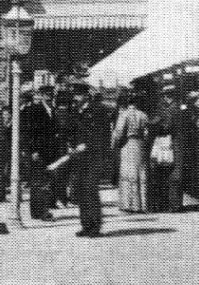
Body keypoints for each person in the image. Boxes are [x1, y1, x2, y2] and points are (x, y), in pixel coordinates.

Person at [67, 81, 109, 237]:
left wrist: (87, 145)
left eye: (78, 95)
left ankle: (95, 226)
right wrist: (71, 145)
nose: (76, 98)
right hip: (80, 158)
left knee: (91, 190)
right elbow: (71, 130)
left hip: (94, 157)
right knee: (81, 191)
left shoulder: (99, 110)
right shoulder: (76, 111)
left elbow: (103, 135)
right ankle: (85, 225)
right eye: (75, 95)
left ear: (86, 95)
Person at [149, 89, 189, 212]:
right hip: (179, 143)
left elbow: (166, 126)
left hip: (173, 144)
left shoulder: (172, 110)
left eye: (163, 97)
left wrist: (151, 123)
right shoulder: (179, 109)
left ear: (167, 97)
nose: (162, 100)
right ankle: (175, 204)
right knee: (174, 174)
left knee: (172, 174)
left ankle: (172, 205)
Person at [21, 87, 57, 220]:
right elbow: (30, 132)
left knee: (43, 181)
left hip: (48, 151)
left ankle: (38, 211)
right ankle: (41, 212)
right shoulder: (35, 110)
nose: (49, 97)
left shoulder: (52, 110)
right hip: (38, 152)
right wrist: (33, 150)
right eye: (46, 95)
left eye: (51, 95)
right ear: (41, 96)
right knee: (39, 182)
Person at [111, 92, 149, 212]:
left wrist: (116, 145)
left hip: (128, 145)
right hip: (140, 145)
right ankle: (141, 204)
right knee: (139, 172)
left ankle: (129, 204)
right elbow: (147, 133)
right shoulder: (143, 115)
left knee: (128, 173)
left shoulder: (124, 115)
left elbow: (118, 133)